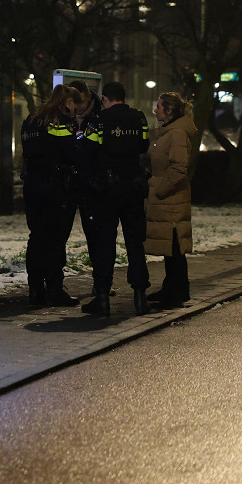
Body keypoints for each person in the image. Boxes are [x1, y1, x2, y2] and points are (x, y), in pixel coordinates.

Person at [82, 81, 151, 317]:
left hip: (107, 190)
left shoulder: (99, 120)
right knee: (135, 243)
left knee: (105, 244)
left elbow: (87, 150)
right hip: (133, 187)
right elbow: (143, 144)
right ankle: (140, 297)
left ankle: (102, 297)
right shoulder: (139, 117)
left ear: (105, 98)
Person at [20, 84, 84, 306]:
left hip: (33, 187)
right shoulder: (62, 121)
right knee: (56, 240)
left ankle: (35, 290)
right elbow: (71, 152)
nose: (75, 112)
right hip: (56, 188)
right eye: (75, 107)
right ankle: (55, 290)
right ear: (68, 102)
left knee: (36, 237)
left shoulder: (31, 119)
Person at [145, 92, 197, 308]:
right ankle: (174, 288)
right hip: (168, 199)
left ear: (170, 110)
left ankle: (175, 292)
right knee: (171, 247)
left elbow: (178, 169)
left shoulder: (176, 134)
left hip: (171, 199)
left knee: (174, 246)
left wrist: (158, 188)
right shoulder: (167, 132)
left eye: (159, 106)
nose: (155, 110)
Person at [66, 79, 103, 298]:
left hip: (91, 182)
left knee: (96, 234)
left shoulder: (98, 115)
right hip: (72, 181)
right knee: (60, 233)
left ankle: (100, 283)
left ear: (87, 96)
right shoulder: (67, 113)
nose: (75, 108)